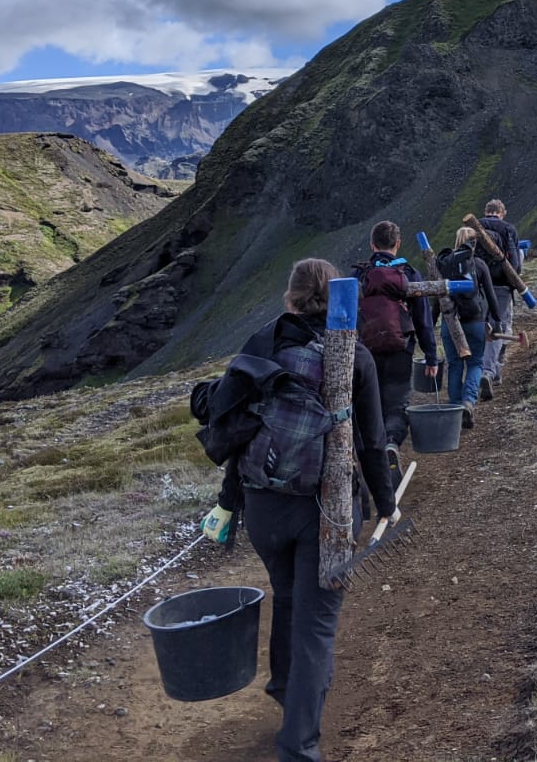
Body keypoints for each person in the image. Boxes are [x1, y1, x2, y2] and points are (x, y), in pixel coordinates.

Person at [237, 259, 397, 762]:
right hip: (324, 510)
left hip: (262, 505)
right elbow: (372, 442)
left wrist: (229, 500)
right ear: (338, 298)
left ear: (291, 295)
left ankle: (287, 693)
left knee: (286, 597)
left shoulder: (262, 342)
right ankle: (299, 746)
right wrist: (386, 502)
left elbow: (235, 426)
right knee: (317, 626)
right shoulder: (352, 354)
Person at [354, 221, 437, 476]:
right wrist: (431, 356)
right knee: (398, 404)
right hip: (402, 347)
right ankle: (391, 443)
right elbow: (423, 320)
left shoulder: (360, 276)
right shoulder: (409, 275)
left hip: (366, 351)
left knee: (371, 404)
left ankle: (374, 458)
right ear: (398, 244)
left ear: (372, 245)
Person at [435, 225, 501, 428]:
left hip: (450, 322)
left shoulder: (444, 265)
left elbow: (436, 295)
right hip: (474, 321)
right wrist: (496, 321)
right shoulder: (479, 264)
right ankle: (468, 402)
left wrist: (430, 323)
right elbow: (490, 295)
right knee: (475, 363)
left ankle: (455, 409)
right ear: (474, 243)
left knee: (455, 364)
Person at [475, 198, 521, 396]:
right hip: (501, 286)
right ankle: (489, 371)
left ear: (486, 211)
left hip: (477, 285)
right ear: (502, 213)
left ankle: (484, 370)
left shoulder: (474, 226)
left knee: (479, 325)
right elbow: (515, 263)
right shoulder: (508, 229)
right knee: (499, 326)